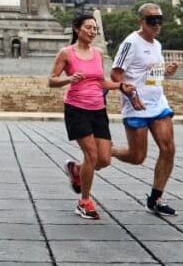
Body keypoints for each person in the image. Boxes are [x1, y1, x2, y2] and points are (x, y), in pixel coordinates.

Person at [51, 14, 133, 220]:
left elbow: (101, 82)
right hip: (76, 109)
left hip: (98, 110)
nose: (92, 31)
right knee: (92, 155)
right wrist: (68, 79)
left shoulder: (98, 54)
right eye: (88, 27)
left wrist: (120, 86)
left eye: (95, 28)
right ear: (77, 29)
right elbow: (51, 80)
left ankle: (78, 169)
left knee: (104, 159)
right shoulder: (66, 53)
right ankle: (84, 201)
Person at [110, 3, 180, 216]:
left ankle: (156, 198)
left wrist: (164, 72)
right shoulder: (131, 43)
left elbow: (149, 76)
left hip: (157, 104)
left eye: (160, 19)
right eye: (152, 20)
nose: (157, 24)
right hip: (136, 106)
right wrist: (130, 94)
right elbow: (115, 74)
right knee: (137, 156)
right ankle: (107, 150)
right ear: (140, 21)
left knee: (168, 149)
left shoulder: (157, 45)